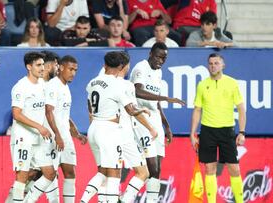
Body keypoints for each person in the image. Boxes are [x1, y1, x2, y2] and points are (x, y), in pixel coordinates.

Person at [81, 51, 157, 203]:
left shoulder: (92, 82)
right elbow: (131, 110)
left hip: (95, 127)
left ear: (105, 65)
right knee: (114, 173)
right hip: (110, 130)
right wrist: (143, 111)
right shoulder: (119, 85)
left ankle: (86, 200)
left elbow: (90, 108)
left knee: (103, 172)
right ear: (123, 66)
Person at [26, 55, 87, 203]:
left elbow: (64, 114)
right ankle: (27, 199)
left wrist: (76, 133)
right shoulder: (53, 86)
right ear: (60, 67)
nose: (73, 73)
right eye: (70, 69)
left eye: (75, 70)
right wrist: (57, 135)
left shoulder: (65, 87)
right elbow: (49, 111)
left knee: (70, 172)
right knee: (46, 174)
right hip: (53, 137)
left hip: (65, 135)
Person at [129, 42, 185, 202]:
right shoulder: (141, 68)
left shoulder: (158, 72)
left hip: (155, 120)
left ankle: (149, 200)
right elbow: (137, 91)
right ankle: (126, 197)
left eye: (164, 58)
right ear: (150, 54)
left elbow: (156, 103)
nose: (160, 61)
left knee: (158, 168)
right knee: (151, 167)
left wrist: (166, 125)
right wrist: (167, 98)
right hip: (141, 119)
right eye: (158, 57)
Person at [190, 53, 245, 203]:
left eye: (216, 63)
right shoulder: (202, 84)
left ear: (223, 65)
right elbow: (197, 109)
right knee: (209, 169)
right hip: (207, 131)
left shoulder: (232, 83)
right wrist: (192, 133)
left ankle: (240, 201)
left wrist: (241, 132)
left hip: (227, 131)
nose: (213, 66)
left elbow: (241, 108)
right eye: (211, 63)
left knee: (234, 169)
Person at [10, 51, 57, 203]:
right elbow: (16, 114)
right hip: (23, 137)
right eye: (38, 65)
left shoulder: (43, 84)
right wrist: (39, 127)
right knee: (22, 175)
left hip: (39, 138)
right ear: (29, 67)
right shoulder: (20, 87)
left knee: (50, 173)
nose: (42, 68)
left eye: (43, 64)